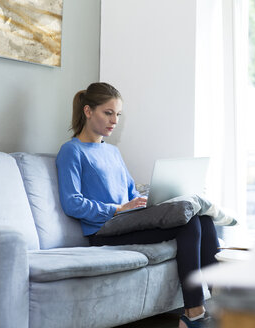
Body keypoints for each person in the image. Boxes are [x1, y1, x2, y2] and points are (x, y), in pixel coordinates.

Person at [56, 82, 219, 328]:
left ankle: (219, 302)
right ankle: (193, 314)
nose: (114, 121)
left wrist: (155, 198)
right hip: (103, 230)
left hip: (129, 219)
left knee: (202, 216)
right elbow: (72, 203)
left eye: (118, 115)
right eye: (108, 113)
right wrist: (117, 209)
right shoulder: (71, 151)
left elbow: (131, 192)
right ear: (88, 111)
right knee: (188, 224)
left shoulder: (112, 152)